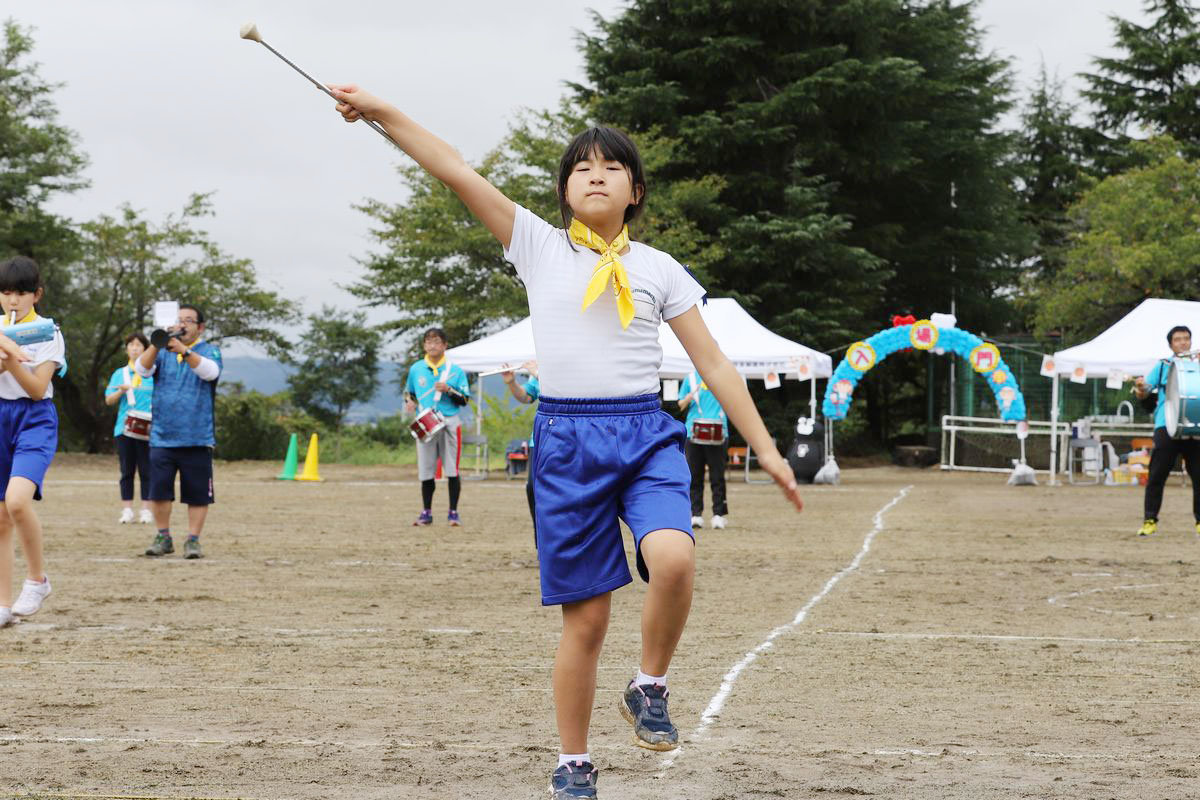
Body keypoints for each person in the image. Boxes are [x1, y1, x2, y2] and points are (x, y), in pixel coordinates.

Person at [328, 84, 802, 799]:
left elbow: (711, 363)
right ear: (563, 189)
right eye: (581, 166)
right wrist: (381, 112)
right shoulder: (536, 246)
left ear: (635, 190)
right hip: (565, 443)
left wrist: (766, 449)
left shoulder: (660, 269)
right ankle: (574, 762)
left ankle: (649, 685)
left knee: (673, 560)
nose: (595, 174)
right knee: (587, 621)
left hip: (646, 432)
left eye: (611, 166)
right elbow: (453, 168)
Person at [0, 256, 64, 627]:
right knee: (0, 519)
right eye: (6, 292)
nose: (13, 300)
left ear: (36, 294)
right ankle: (4, 604)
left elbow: (38, 389)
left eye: (21, 292)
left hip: (34, 420)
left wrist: (10, 362)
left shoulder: (48, 332)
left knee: (17, 502)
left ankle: (37, 580)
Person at [135, 304, 222, 560]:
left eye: (188, 320)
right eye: (179, 320)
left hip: (197, 436)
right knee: (159, 491)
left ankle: (193, 540)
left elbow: (210, 372)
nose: (182, 324)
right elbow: (142, 369)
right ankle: (163, 536)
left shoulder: (210, 351)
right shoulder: (162, 351)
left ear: (200, 327)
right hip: (162, 435)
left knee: (197, 494)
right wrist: (158, 341)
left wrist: (184, 350)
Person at [1133, 324, 1200, 537]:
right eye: (1178, 339)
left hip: (1195, 426)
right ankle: (1150, 520)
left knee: (1199, 477)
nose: (1183, 342)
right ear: (1171, 344)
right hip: (1167, 425)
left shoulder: (1198, 364)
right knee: (1157, 475)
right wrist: (1140, 388)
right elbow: (1143, 392)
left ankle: (1199, 522)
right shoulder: (1163, 366)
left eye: (1186, 338)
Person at [404, 327, 470, 526]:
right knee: (426, 469)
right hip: (426, 421)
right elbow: (410, 392)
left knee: (452, 469)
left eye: (437, 342)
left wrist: (449, 390)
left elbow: (465, 399)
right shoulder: (416, 369)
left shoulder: (455, 371)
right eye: (428, 342)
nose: (432, 346)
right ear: (424, 345)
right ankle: (426, 511)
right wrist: (410, 402)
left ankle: (453, 512)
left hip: (450, 421)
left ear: (444, 345)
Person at [104, 332, 154, 524]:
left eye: (139, 345)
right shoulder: (120, 374)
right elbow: (108, 400)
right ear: (127, 349)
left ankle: (146, 510)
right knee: (127, 471)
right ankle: (127, 510)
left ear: (145, 349)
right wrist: (120, 390)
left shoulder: (152, 373)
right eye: (131, 345)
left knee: (146, 470)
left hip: (148, 429)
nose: (134, 348)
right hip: (124, 429)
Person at [678, 371, 729, 530]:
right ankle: (695, 514)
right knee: (694, 475)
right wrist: (689, 397)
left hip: (719, 430)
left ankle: (718, 515)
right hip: (694, 431)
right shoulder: (691, 378)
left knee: (717, 475)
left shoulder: (724, 376)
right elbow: (680, 405)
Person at [503, 361, 540, 537]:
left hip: (571, 438)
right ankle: (540, 541)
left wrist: (538, 372)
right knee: (532, 489)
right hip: (540, 439)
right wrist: (511, 382)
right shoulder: (544, 362)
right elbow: (526, 396)